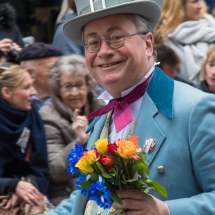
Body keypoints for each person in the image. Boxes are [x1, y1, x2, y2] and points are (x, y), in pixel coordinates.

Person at [46, 0, 215, 214]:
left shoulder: (195, 109)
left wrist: (165, 210)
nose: (104, 51)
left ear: (148, 44)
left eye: (116, 38)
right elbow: (86, 198)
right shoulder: (100, 119)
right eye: (93, 42)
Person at [39, 54, 105, 206]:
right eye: (68, 86)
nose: (74, 92)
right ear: (57, 88)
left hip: (104, 188)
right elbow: (54, 171)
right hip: (67, 195)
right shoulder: (47, 116)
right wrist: (79, 142)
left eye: (79, 85)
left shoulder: (104, 108)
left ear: (88, 85)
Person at [0, 61, 49, 207]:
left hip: (25, 193)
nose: (34, 93)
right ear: (6, 92)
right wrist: (12, 185)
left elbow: (40, 167)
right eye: (27, 87)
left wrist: (27, 186)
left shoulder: (32, 115)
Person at [155, 0, 215, 86]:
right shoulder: (162, 37)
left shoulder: (211, 24)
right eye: (194, 2)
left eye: (200, 0)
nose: (200, 6)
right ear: (179, 6)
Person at [19, 42, 63, 109]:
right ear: (30, 74)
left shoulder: (69, 99)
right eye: (52, 68)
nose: (61, 73)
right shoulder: (15, 102)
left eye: (61, 68)